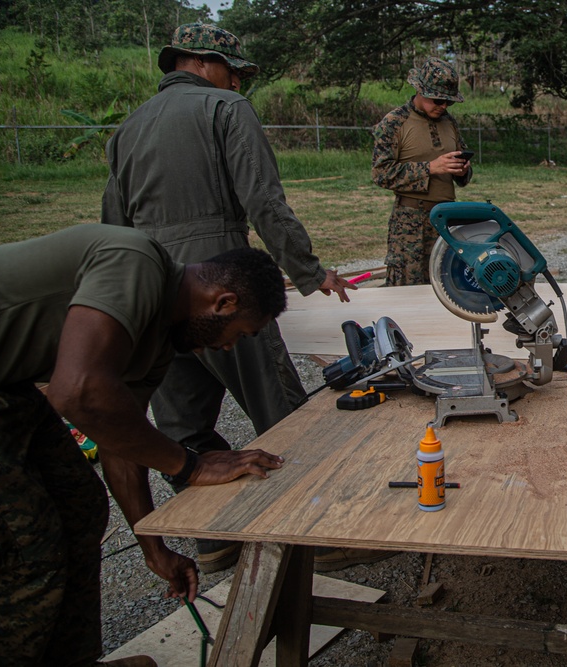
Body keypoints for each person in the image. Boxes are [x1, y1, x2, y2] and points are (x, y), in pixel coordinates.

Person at [101, 23, 370, 573]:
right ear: (205, 62)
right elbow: (264, 201)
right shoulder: (225, 110)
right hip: (219, 277)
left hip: (151, 287)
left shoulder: (125, 129)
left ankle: (215, 540)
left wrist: (129, 301)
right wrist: (307, 270)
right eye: (235, 72)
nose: (239, 84)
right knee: (281, 408)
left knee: (180, 422)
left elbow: (112, 225)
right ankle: (314, 533)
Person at [0, 224, 286, 667]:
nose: (226, 348)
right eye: (238, 335)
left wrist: (153, 546)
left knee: (82, 506)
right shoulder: (137, 260)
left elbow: (120, 440)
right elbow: (76, 392)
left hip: (3, 385)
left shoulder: (158, 343)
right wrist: (190, 465)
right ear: (223, 303)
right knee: (27, 547)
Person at [372, 57, 473, 286]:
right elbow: (381, 173)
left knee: (448, 285)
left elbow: (463, 169)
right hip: (410, 225)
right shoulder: (394, 122)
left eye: (449, 102)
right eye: (438, 100)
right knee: (408, 289)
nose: (443, 106)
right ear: (420, 90)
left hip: (446, 218)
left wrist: (462, 170)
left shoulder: (450, 123)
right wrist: (430, 168)